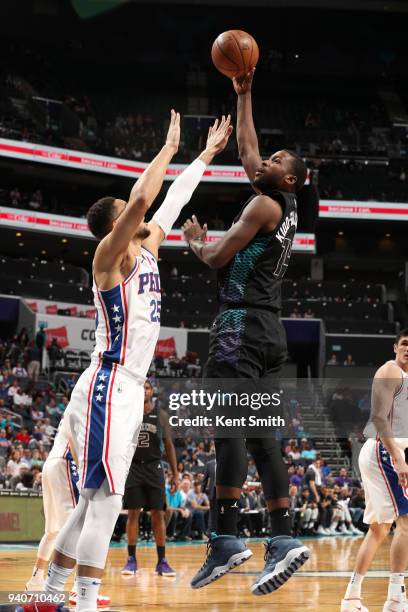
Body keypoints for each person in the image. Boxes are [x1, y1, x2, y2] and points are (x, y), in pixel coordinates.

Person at [44, 111, 233, 612]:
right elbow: (148, 197)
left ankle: (48, 595)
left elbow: (170, 201)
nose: (138, 209)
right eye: (128, 209)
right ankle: (83, 603)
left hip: (126, 388)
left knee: (90, 502)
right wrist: (168, 149)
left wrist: (206, 156)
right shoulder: (111, 256)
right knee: (105, 503)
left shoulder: (145, 246)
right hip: (111, 382)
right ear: (115, 224)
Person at [183, 68, 310, 595]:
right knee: (262, 439)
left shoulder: (261, 203)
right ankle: (282, 539)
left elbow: (216, 256)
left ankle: (228, 537)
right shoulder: (284, 203)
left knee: (228, 427)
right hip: (270, 330)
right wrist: (245, 94)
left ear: (289, 179)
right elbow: (248, 146)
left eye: (278, 162)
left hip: (238, 324)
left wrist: (194, 241)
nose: (266, 160)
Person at [341, 329, 408, 612]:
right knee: (406, 524)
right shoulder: (390, 371)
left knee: (379, 529)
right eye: (405, 344)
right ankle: (395, 598)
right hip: (384, 450)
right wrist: (398, 459)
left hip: (387, 451)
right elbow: (379, 419)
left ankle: (351, 597)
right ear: (395, 347)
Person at [25, 416, 110, 608]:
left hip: (52, 463)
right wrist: (82, 473)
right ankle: (78, 590)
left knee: (53, 530)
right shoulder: (89, 405)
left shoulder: (79, 402)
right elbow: (76, 440)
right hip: (67, 461)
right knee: (76, 527)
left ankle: (36, 580)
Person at [121, 379, 178, 577]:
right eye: (141, 388)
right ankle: (131, 560)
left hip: (155, 468)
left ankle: (162, 561)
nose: (144, 390)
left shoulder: (161, 415)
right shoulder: (129, 414)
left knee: (158, 514)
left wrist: (175, 475)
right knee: (133, 514)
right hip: (134, 468)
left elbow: (169, 446)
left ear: (152, 391)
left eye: (147, 387)